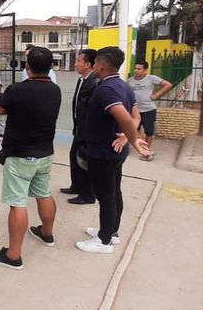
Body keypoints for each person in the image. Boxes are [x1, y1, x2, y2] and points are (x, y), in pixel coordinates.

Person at [0, 46, 61, 270]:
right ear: (50, 67)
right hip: (45, 153)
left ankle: (13, 255)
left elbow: (0, 109)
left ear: (27, 67)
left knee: (17, 203)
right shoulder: (55, 90)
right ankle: (46, 233)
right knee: (44, 193)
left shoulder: (17, 89)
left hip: (20, 155)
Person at [76, 47, 151, 254]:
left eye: (95, 63)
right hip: (114, 150)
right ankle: (111, 231)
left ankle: (104, 241)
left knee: (106, 196)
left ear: (100, 65)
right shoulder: (123, 85)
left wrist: (133, 139)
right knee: (114, 192)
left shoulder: (106, 90)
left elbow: (126, 118)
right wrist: (127, 136)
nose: (94, 65)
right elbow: (136, 116)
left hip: (104, 152)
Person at [61, 49, 99, 205]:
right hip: (79, 128)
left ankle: (88, 195)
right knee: (74, 156)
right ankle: (76, 186)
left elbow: (93, 110)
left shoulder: (94, 82)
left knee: (84, 161)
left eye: (78, 61)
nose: (75, 64)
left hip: (88, 131)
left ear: (88, 64)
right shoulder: (83, 80)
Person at [128, 61, 172, 161]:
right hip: (135, 111)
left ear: (145, 70)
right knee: (133, 129)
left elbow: (168, 85)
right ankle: (145, 150)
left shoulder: (151, 78)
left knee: (149, 132)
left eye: (139, 69)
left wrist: (156, 95)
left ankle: (146, 152)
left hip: (148, 109)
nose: (136, 71)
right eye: (135, 68)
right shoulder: (130, 81)